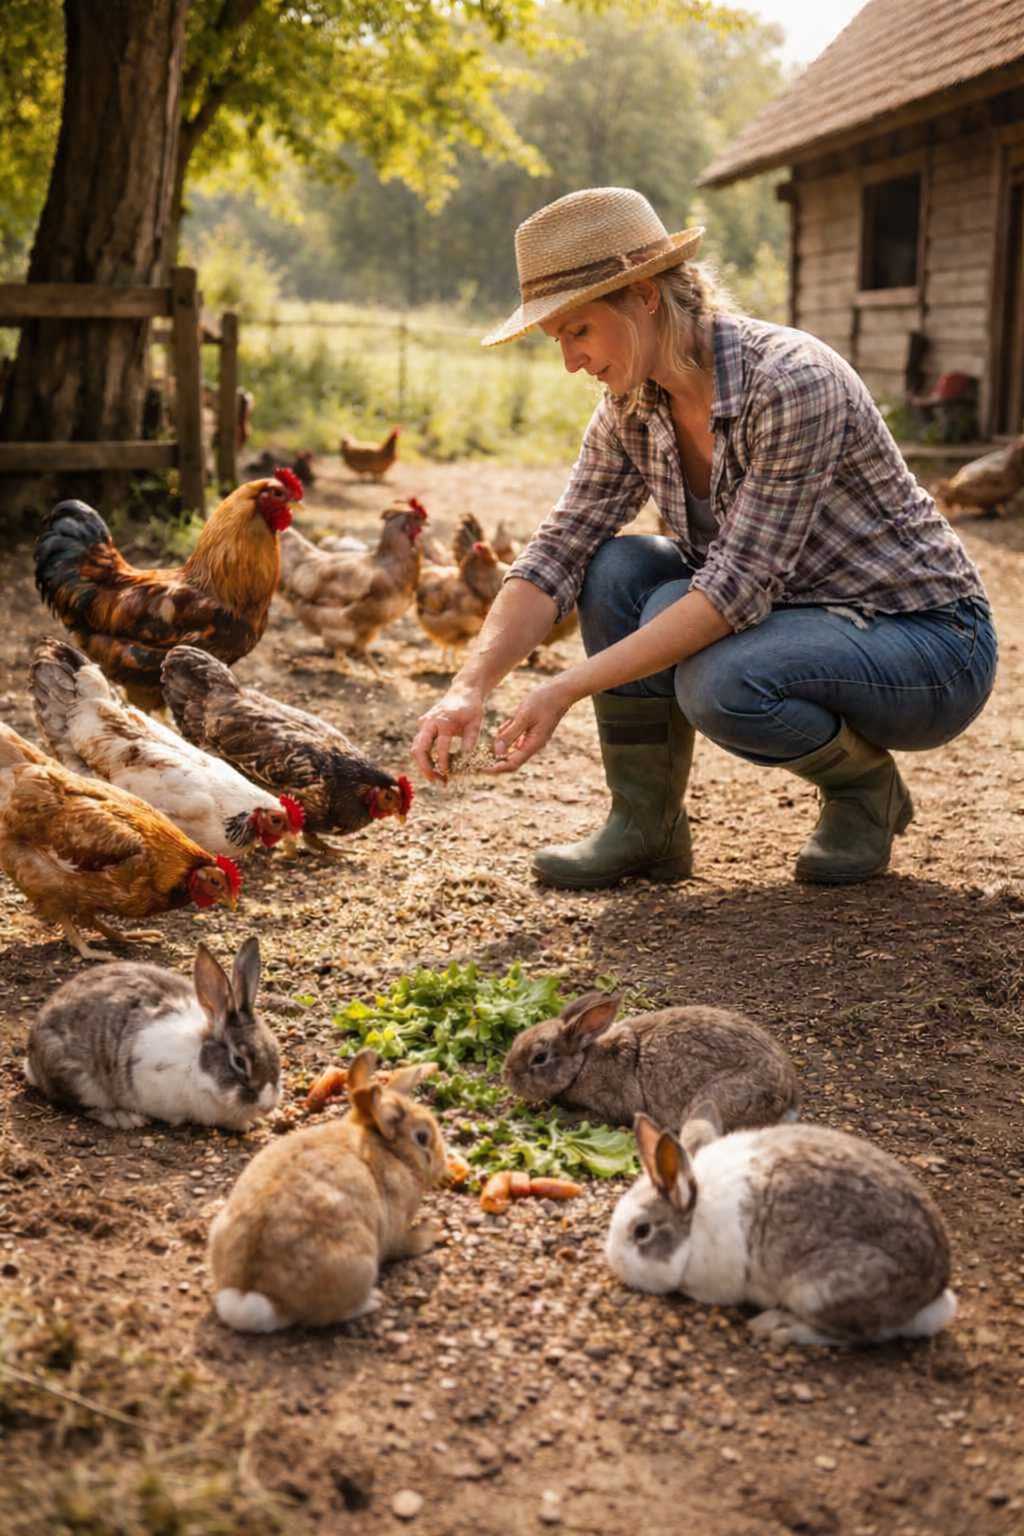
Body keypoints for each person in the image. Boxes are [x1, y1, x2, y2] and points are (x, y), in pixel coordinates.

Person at [411, 187, 997, 889]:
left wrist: (562, 688)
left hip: (925, 642)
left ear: (644, 295)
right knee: (617, 568)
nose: (570, 361)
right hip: (799, 616)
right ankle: (646, 825)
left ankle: (862, 790)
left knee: (719, 682)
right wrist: (468, 687)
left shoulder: (790, 382)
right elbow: (558, 549)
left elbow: (733, 592)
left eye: (579, 331)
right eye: (558, 340)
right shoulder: (630, 406)